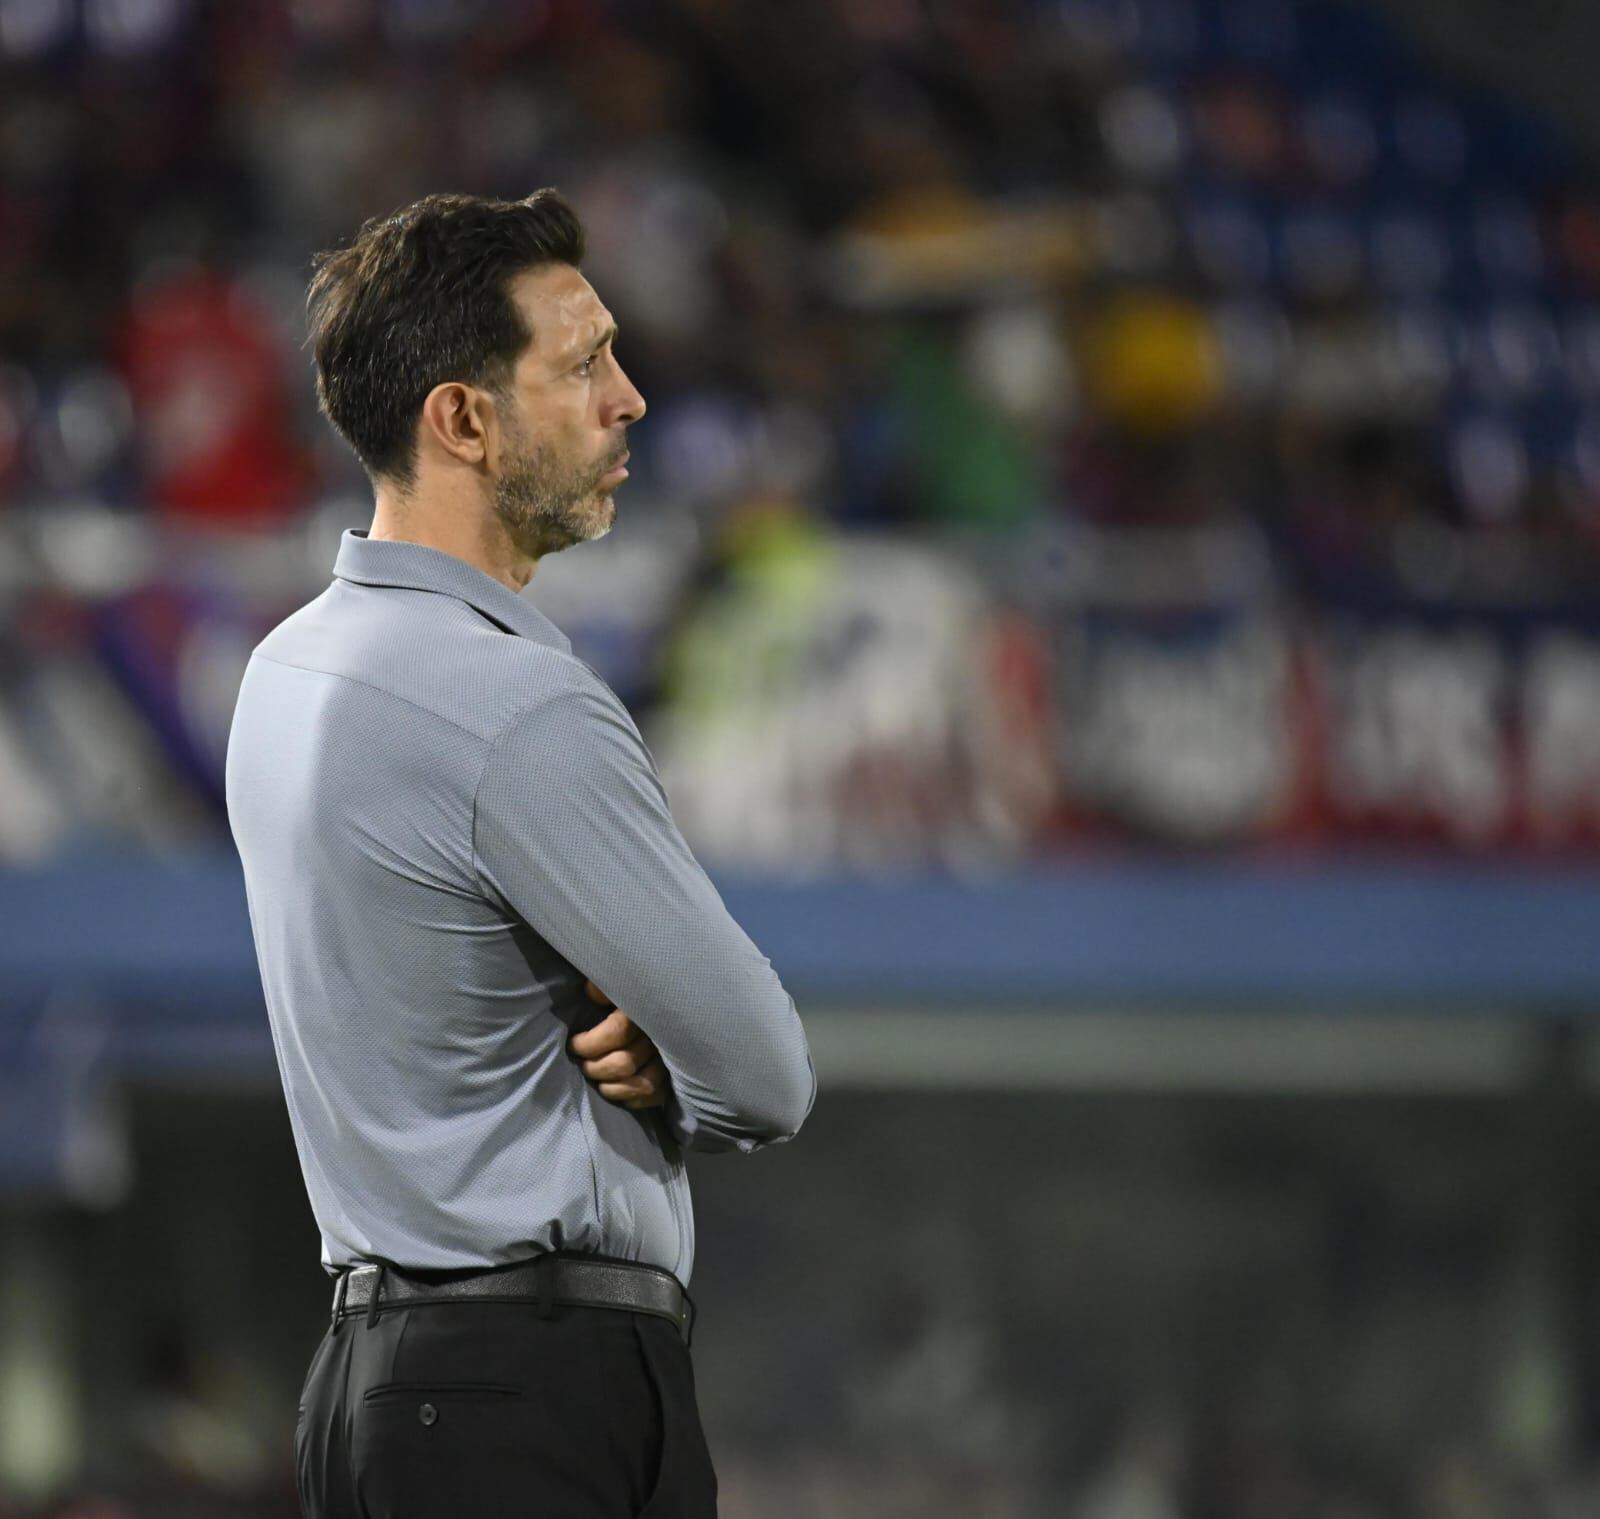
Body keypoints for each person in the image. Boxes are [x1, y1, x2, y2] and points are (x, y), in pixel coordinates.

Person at [224, 190, 816, 1519]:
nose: (629, 399)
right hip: (530, 1394)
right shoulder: (513, 702)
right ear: (464, 419)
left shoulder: (283, 671)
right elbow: (766, 1073)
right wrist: (678, 1062)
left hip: (371, 1390)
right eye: (583, 362)